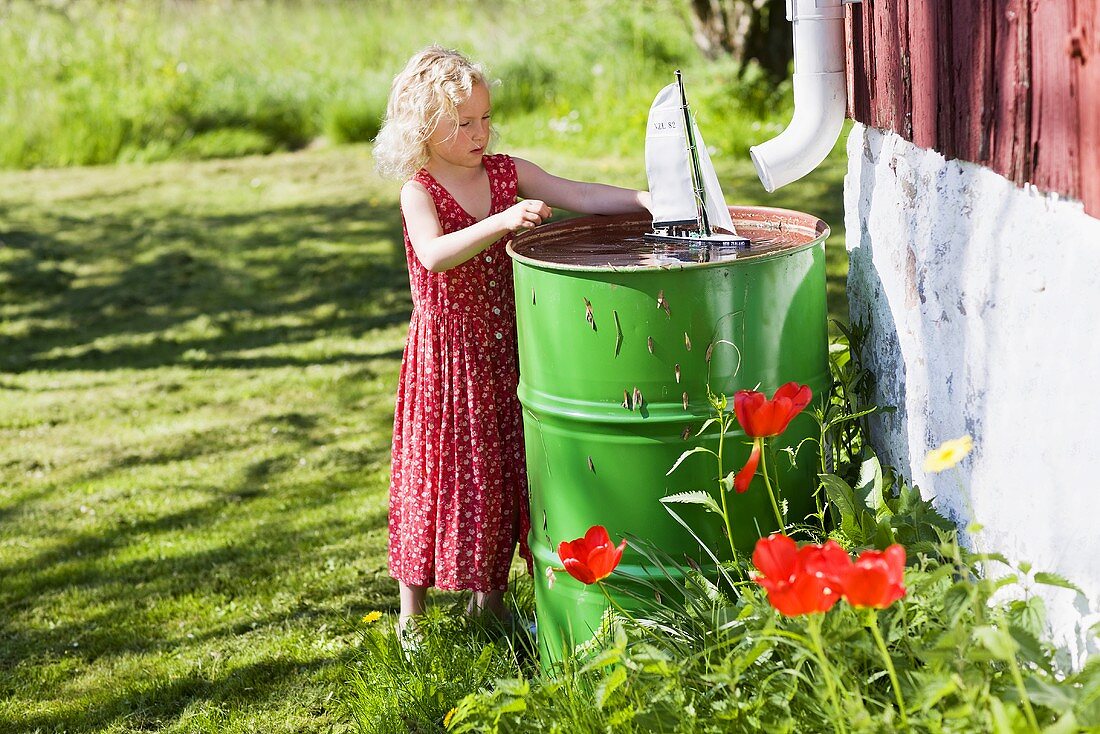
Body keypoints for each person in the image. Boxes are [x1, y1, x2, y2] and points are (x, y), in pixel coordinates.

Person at [373, 45, 650, 639]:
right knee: (437, 476)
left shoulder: (507, 172)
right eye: (463, 122)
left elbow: (580, 194)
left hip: (507, 351)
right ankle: (410, 616)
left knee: (502, 476)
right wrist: (501, 222)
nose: (480, 132)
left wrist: (645, 201)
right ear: (425, 127)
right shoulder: (419, 191)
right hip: (447, 360)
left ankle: (489, 601)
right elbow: (433, 254)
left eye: (485, 118)